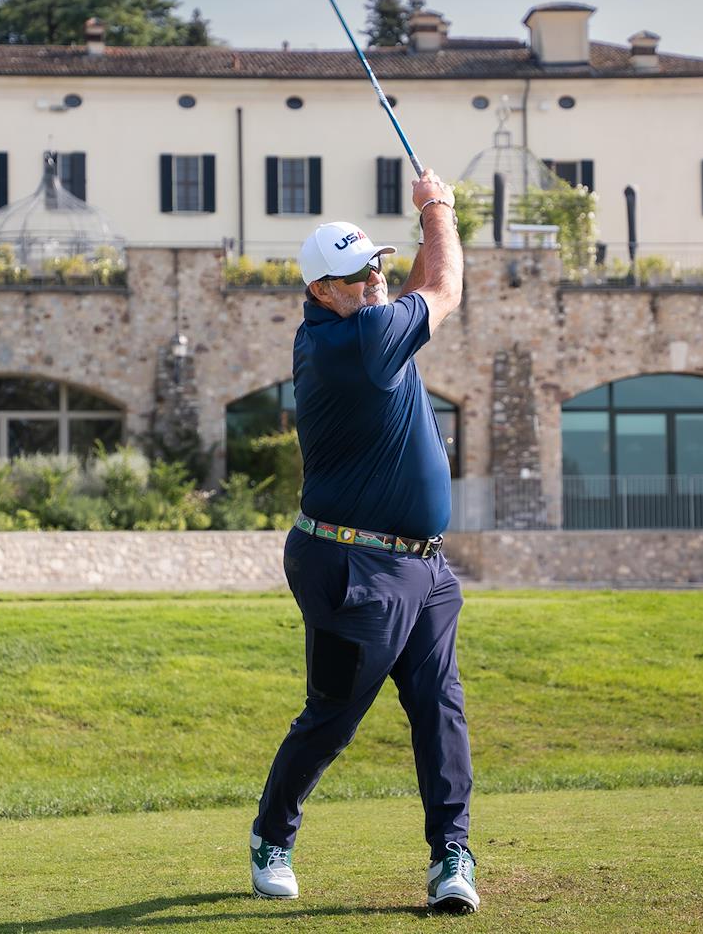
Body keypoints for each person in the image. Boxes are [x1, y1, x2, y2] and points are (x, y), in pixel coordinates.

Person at [249, 169, 479, 914]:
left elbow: (410, 291)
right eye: (356, 275)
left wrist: (414, 242)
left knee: (439, 707)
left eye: (377, 265)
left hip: (424, 568)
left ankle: (452, 856)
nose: (374, 279)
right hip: (355, 568)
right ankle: (272, 837)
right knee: (334, 714)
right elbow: (442, 288)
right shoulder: (359, 343)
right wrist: (436, 208)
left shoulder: (365, 323)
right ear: (322, 290)